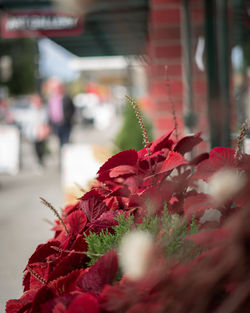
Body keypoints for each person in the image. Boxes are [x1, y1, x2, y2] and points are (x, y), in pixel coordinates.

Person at [48, 82, 75, 148]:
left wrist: (68, 118)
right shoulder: (51, 99)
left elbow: (72, 109)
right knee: (56, 144)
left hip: (65, 124)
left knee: (65, 143)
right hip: (55, 124)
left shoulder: (66, 98)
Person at [28, 94, 50, 169]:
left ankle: (41, 161)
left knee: (42, 147)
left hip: (42, 131)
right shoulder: (31, 109)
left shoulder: (43, 109)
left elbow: (45, 120)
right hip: (34, 132)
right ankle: (39, 161)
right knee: (36, 147)